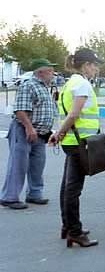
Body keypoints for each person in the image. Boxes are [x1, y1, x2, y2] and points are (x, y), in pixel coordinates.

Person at [48, 48, 104, 248]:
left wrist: (58, 134)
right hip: (80, 142)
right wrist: (60, 133)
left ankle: (68, 226)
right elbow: (73, 115)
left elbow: (69, 115)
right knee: (73, 189)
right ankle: (75, 231)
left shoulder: (71, 83)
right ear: (87, 65)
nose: (96, 69)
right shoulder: (81, 84)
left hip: (74, 141)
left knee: (67, 186)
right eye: (94, 64)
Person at [1, 58, 57, 210]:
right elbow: (20, 110)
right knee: (18, 164)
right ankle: (9, 197)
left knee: (37, 165)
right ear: (40, 72)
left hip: (40, 133)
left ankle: (34, 194)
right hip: (24, 130)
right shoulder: (29, 86)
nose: (53, 73)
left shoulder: (44, 86)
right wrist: (29, 127)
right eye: (50, 70)